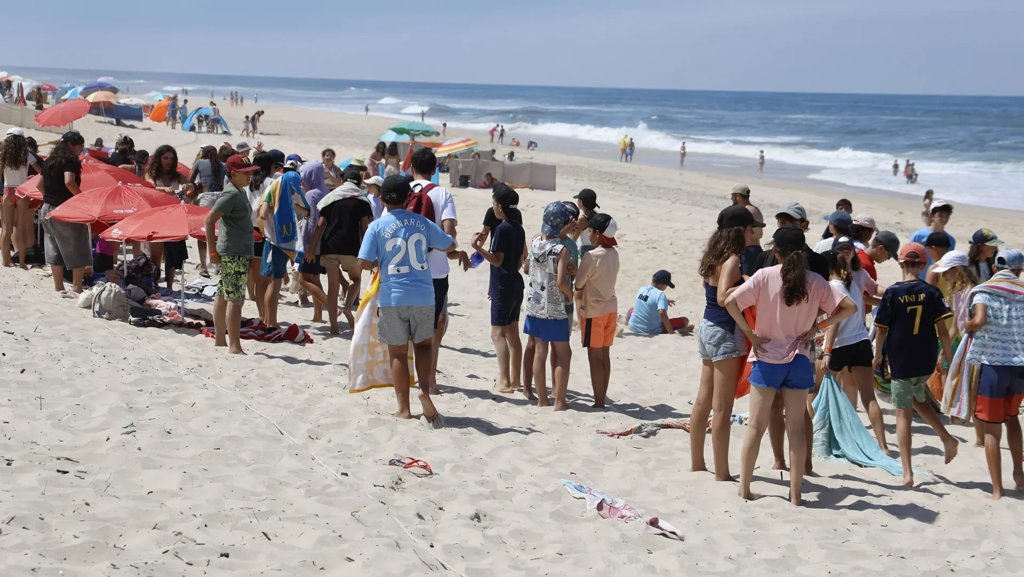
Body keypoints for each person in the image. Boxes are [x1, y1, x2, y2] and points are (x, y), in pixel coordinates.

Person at [724, 227, 855, 506]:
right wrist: (817, 327)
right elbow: (849, 308)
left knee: (756, 427)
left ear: (775, 251)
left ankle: (745, 488)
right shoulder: (816, 280)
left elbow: (729, 301)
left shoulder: (764, 276)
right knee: (796, 428)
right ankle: (796, 494)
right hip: (798, 359)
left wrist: (749, 334)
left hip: (766, 358)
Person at [358, 175, 453, 426]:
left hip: (393, 298)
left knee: (398, 354)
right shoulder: (421, 222)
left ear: (381, 198)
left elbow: (364, 262)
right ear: (409, 197)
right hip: (423, 295)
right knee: (423, 346)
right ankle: (423, 389)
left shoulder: (377, 226)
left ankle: (403, 408)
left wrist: (381, 260)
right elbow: (448, 243)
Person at [872, 242, 959, 487]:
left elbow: (881, 330)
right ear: (923, 265)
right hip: (925, 358)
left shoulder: (892, 292)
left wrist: (877, 355)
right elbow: (943, 330)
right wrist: (950, 359)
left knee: (903, 413)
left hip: (901, 358)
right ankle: (947, 438)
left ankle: (907, 472)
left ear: (900, 263)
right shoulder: (932, 293)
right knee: (918, 399)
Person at [691, 205, 762, 480]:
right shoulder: (732, 258)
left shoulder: (714, 255)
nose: (752, 234)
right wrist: (747, 284)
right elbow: (724, 298)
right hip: (724, 331)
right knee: (722, 407)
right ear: (741, 231)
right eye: (749, 229)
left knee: (703, 401)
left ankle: (697, 462)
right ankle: (722, 472)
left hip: (707, 326)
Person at [964, 249, 1024, 498]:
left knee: (991, 429)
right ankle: (1019, 475)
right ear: (1019, 270)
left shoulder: (984, 291)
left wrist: (965, 324)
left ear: (996, 268)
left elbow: (978, 321)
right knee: (1013, 419)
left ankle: (997, 489)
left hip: (993, 367)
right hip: (1020, 367)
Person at [410, 149, 470, 394]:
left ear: (411, 166)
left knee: (406, 327)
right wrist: (453, 250)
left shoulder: (401, 191)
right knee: (434, 328)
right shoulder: (442, 193)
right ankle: (430, 382)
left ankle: (408, 378)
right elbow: (449, 235)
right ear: (434, 170)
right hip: (434, 271)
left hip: (404, 269)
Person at [821, 237, 888, 452]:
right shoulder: (855, 281)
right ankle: (884, 446)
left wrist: (827, 351)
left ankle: (828, 439)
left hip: (840, 345)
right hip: (861, 342)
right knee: (869, 398)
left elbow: (835, 324)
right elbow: (866, 300)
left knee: (821, 393)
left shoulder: (834, 286)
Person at [522, 200, 580, 401]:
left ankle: (541, 399)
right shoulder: (562, 249)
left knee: (540, 350)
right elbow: (561, 280)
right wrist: (571, 295)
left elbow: (529, 267)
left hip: (535, 303)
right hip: (555, 307)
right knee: (564, 353)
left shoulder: (536, 242)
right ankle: (559, 401)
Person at [471, 184, 526, 394]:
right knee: (513, 332)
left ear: (500, 207)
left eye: (494, 204)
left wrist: (477, 248)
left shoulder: (502, 228)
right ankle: (515, 379)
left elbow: (497, 260)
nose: (492, 207)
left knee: (497, 334)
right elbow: (520, 259)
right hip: (515, 282)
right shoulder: (518, 227)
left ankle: (504, 381)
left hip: (503, 285)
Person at [205, 155, 257, 354]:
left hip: (237, 251)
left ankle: (220, 340)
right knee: (236, 300)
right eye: (246, 173)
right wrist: (211, 251)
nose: (250, 176)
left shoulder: (239, 191)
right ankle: (234, 345)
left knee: (223, 293)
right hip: (233, 253)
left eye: (250, 172)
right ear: (233, 173)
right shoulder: (231, 194)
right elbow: (209, 220)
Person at [309, 168, 372, 334]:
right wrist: (370, 253)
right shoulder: (362, 201)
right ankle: (347, 307)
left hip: (330, 247)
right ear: (358, 184)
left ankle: (334, 327)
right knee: (356, 280)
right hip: (351, 248)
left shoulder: (331, 199)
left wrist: (311, 249)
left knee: (332, 288)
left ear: (343, 182)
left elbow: (320, 225)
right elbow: (364, 229)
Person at [575, 213, 620, 408]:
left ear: (598, 233)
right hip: (611, 308)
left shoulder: (591, 256)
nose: (589, 235)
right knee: (605, 355)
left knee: (594, 358)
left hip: (593, 310)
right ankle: (602, 396)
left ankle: (599, 401)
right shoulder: (614, 254)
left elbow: (578, 284)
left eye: (591, 231)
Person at [258, 170, 309, 330]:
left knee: (275, 282)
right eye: (293, 188)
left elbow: (306, 211)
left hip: (284, 243)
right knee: (274, 283)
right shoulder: (273, 192)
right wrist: (278, 211)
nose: (294, 190)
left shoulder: (287, 194)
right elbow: (263, 214)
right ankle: (270, 322)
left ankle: (268, 320)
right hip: (274, 243)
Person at [40, 131, 88, 295]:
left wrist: (50, 197)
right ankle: (77, 287)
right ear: (70, 145)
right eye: (79, 147)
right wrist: (82, 198)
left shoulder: (49, 161)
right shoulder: (70, 160)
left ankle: (59, 286)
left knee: (54, 247)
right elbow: (69, 181)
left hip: (46, 208)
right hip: (64, 209)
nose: (80, 151)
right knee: (78, 245)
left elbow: (39, 185)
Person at [146, 144, 193, 290]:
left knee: (171, 255)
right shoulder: (151, 173)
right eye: (165, 158)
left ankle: (170, 286)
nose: (168, 161)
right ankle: (154, 284)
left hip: (173, 217)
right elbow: (149, 186)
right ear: (159, 158)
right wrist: (163, 189)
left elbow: (190, 187)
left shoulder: (177, 176)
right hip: (156, 216)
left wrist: (188, 187)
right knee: (156, 255)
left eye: (171, 158)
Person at [1, 127, 42, 268]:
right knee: (22, 227)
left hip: (8, 191)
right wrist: (31, 179)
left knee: (6, 229)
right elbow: (41, 172)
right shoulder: (27, 154)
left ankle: (6, 261)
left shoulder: (3, 153)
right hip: (22, 192)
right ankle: (23, 262)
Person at [296, 162, 331, 323]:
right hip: (322, 243)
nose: (302, 181)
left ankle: (332, 308)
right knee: (315, 279)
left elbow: (312, 224)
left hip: (312, 244)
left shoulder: (312, 195)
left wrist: (308, 248)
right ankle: (318, 316)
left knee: (302, 279)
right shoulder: (326, 191)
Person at [190, 145, 225, 276]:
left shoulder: (200, 163)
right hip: (221, 198)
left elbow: (190, 181)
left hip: (206, 198)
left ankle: (203, 265)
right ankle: (218, 264)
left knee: (203, 234)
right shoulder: (223, 165)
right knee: (219, 232)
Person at [627, 270, 687, 335]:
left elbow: (648, 300)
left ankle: (625, 321)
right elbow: (662, 313)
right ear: (662, 284)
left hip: (632, 326)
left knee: (631, 309)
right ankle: (682, 330)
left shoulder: (642, 289)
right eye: (666, 285)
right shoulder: (660, 294)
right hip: (650, 329)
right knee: (685, 320)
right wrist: (671, 332)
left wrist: (665, 301)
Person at [909, 199, 955, 272]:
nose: (944, 218)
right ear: (931, 215)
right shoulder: (918, 235)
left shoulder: (951, 240)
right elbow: (907, 259)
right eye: (940, 215)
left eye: (947, 215)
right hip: (919, 279)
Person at [730, 184, 765, 274]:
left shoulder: (746, 211)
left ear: (738, 196)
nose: (731, 198)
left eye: (732, 196)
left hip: (749, 250)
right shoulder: (755, 209)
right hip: (756, 249)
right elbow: (760, 234)